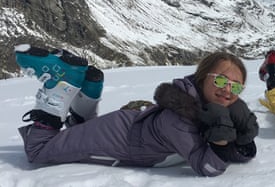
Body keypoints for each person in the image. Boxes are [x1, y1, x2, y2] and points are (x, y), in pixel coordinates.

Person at [15, 44, 258, 177]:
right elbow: (208, 167)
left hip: (127, 129)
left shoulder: (208, 108)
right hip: (118, 140)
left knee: (78, 133)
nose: (228, 90)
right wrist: (224, 139)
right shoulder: (179, 119)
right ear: (203, 77)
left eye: (236, 85)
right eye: (220, 81)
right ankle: (60, 88)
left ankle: (87, 91)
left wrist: (243, 139)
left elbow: (228, 151)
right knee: (40, 151)